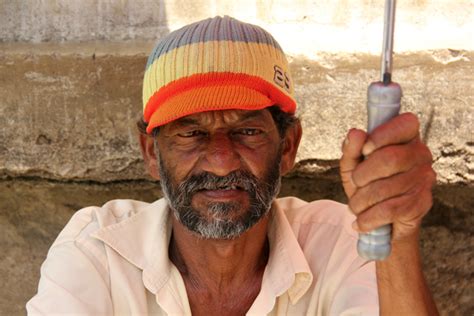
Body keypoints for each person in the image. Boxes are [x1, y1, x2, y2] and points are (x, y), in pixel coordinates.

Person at [27, 16, 438, 315]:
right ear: (151, 152)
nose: (222, 163)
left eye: (247, 132)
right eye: (191, 134)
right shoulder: (96, 253)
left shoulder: (342, 245)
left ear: (288, 146)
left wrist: (397, 236)